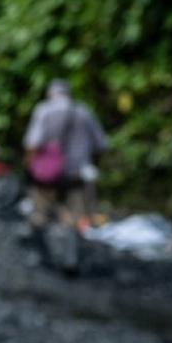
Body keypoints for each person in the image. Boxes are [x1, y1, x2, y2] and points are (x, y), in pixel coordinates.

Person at [23, 78, 109, 235]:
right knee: (79, 221)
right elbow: (101, 145)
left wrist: (30, 169)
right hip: (79, 173)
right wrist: (93, 164)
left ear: (50, 94)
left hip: (48, 175)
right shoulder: (84, 111)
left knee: (41, 218)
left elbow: (33, 144)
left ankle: (47, 255)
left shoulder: (44, 111)